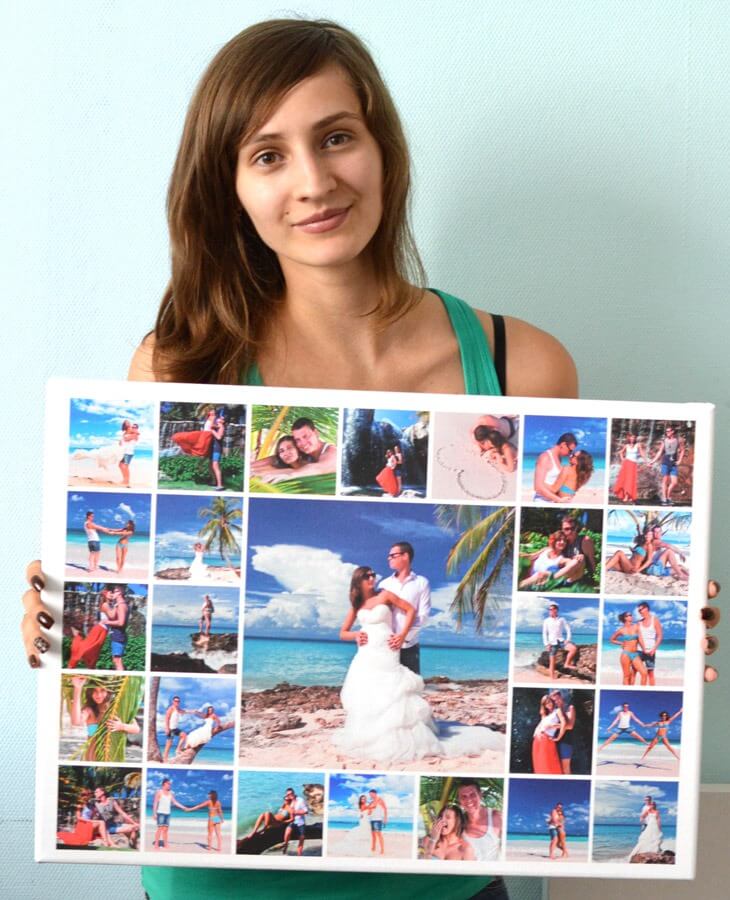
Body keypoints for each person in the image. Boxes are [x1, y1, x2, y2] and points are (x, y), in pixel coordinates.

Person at [19, 16, 719, 900]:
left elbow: (560, 586)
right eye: (267, 155)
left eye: (336, 137)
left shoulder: (525, 367)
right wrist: (58, 618)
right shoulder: (182, 365)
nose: (314, 182)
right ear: (230, 188)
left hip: (446, 885)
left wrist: (661, 623)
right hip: (220, 886)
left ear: (384, 149)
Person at [376, 541, 430, 674]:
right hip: (385, 645)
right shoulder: (384, 584)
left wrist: (403, 636)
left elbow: (423, 616)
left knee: (412, 685)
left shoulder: (421, 583)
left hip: (410, 646)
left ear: (405, 556)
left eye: (392, 555)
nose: (388, 558)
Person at [69, 675, 140, 760]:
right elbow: (76, 722)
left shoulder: (117, 709)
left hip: (113, 758)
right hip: (93, 759)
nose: (98, 695)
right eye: (94, 690)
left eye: (102, 690)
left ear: (108, 691)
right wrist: (78, 688)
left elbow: (136, 729)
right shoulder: (90, 710)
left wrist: (121, 726)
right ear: (90, 692)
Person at [455, 779, 502, 862]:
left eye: (472, 795)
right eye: (464, 796)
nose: (469, 800)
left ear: (480, 795)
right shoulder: (458, 824)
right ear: (459, 800)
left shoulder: (496, 817)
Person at [533, 433, 577, 502]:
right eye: (570, 450)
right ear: (563, 445)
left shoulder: (559, 458)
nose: (570, 454)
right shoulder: (545, 457)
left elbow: (555, 484)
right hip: (542, 502)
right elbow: (538, 487)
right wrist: (559, 500)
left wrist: (570, 491)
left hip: (553, 501)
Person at [608, 611, 648, 685]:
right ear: (625, 618)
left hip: (635, 654)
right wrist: (621, 643)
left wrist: (644, 649)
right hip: (625, 654)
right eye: (629, 615)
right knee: (627, 676)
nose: (631, 616)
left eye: (631, 615)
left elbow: (640, 639)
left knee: (644, 673)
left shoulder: (636, 626)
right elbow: (612, 639)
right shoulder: (621, 630)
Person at [650, 424, 685, 505]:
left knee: (674, 482)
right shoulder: (664, 441)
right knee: (665, 481)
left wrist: (680, 460)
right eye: (666, 431)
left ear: (673, 432)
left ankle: (668, 496)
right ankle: (665, 499)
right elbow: (660, 452)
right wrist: (653, 461)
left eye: (668, 431)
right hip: (665, 462)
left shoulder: (678, 440)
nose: (667, 433)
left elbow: (682, 450)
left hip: (674, 463)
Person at [531, 693, 565, 775]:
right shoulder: (545, 715)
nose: (548, 704)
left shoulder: (557, 711)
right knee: (539, 764)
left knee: (550, 763)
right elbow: (540, 725)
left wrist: (559, 737)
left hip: (547, 739)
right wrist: (536, 733)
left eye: (549, 702)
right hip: (537, 739)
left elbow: (564, 724)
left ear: (552, 701)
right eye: (545, 704)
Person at [542, 602, 578, 678]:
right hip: (552, 643)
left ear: (556, 610)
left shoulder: (562, 619)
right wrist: (546, 644)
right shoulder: (546, 621)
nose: (550, 611)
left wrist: (568, 639)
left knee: (573, 648)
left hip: (561, 641)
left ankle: (567, 664)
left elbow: (568, 629)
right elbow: (544, 633)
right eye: (549, 609)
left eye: (552, 609)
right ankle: (552, 678)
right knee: (552, 662)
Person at [559, 515, 597, 585]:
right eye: (567, 529)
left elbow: (592, 562)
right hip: (563, 574)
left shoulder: (584, 541)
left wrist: (595, 580)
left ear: (576, 528)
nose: (570, 531)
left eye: (572, 528)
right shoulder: (561, 541)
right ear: (562, 530)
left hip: (577, 577)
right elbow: (551, 550)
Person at [152, 778, 188, 850]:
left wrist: (183, 807)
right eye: (168, 784)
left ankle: (165, 844)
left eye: (170, 784)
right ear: (164, 784)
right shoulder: (159, 792)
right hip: (160, 813)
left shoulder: (171, 793)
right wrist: (154, 813)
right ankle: (156, 844)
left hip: (168, 813)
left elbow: (175, 802)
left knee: (166, 830)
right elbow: (155, 803)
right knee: (160, 829)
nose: (170, 785)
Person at [611, 431, 646, 503]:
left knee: (631, 480)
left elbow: (642, 453)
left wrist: (646, 461)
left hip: (633, 464)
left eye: (634, 437)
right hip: (626, 464)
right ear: (629, 438)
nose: (632, 438)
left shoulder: (638, 445)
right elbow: (621, 452)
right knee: (625, 480)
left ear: (635, 438)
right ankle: (626, 496)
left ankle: (630, 496)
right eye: (631, 437)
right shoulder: (626, 446)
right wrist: (622, 459)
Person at [549, 690, 576, 775]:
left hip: (566, 741)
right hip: (555, 741)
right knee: (557, 767)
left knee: (565, 768)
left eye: (557, 699)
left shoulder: (570, 708)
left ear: (561, 696)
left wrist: (555, 726)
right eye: (554, 701)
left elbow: (570, 726)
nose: (556, 702)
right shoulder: (555, 710)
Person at [636, 601, 663, 686]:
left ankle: (652, 690)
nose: (640, 612)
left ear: (646, 608)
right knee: (634, 671)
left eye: (641, 609)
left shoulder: (655, 620)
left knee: (650, 673)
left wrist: (654, 649)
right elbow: (639, 637)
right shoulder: (639, 622)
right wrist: (643, 648)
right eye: (639, 610)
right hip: (639, 650)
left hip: (651, 651)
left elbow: (660, 636)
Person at [162, 695, 189, 763]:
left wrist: (194, 711)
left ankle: (178, 749)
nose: (177, 702)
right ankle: (165, 758)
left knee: (184, 735)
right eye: (175, 701)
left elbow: (185, 711)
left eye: (178, 701)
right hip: (170, 728)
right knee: (169, 744)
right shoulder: (171, 708)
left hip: (175, 728)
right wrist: (167, 728)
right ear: (173, 701)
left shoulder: (178, 709)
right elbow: (167, 718)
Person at [282, 790, 309, 856]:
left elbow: (306, 811)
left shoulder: (300, 800)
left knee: (302, 838)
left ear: (294, 793)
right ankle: (286, 845)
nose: (290, 795)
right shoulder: (289, 801)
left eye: (291, 793)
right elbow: (283, 809)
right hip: (292, 822)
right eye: (288, 794)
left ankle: (299, 855)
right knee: (287, 833)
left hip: (300, 822)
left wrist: (295, 812)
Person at [118, 420, 140, 488]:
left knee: (125, 467)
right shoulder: (126, 432)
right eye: (133, 427)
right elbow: (122, 441)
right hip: (123, 451)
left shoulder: (135, 434)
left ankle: (127, 481)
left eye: (135, 427)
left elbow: (127, 439)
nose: (133, 428)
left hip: (128, 452)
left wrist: (126, 437)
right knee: (120, 465)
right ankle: (124, 479)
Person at [367, 788, 388, 855]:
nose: (370, 796)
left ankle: (382, 850)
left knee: (379, 834)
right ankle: (373, 848)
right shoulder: (371, 802)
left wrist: (385, 818)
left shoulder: (380, 800)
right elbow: (369, 811)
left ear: (375, 794)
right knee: (373, 835)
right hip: (371, 819)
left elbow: (385, 809)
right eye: (370, 795)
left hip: (378, 819)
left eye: (371, 794)